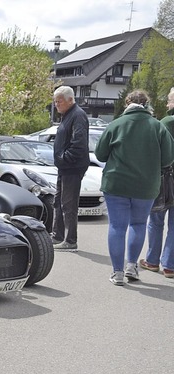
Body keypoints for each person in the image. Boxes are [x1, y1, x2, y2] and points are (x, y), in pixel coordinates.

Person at [95, 90, 174, 285]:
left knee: (117, 226)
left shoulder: (116, 125)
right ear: (147, 104)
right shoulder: (158, 127)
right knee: (138, 225)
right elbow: (167, 160)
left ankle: (118, 272)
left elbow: (100, 155)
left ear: (127, 104)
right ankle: (132, 266)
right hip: (146, 186)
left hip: (116, 184)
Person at [51, 85, 90, 251]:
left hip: (72, 167)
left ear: (70, 100)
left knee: (68, 204)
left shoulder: (77, 115)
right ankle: (57, 235)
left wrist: (63, 158)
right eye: (55, 102)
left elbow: (78, 145)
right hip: (65, 167)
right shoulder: (68, 115)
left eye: (59, 101)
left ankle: (70, 240)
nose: (56, 105)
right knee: (58, 202)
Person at [140, 88, 174, 279]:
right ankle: (170, 265)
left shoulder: (166, 122)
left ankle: (152, 261)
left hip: (165, 178)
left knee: (156, 221)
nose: (167, 104)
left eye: (169, 101)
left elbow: (156, 151)